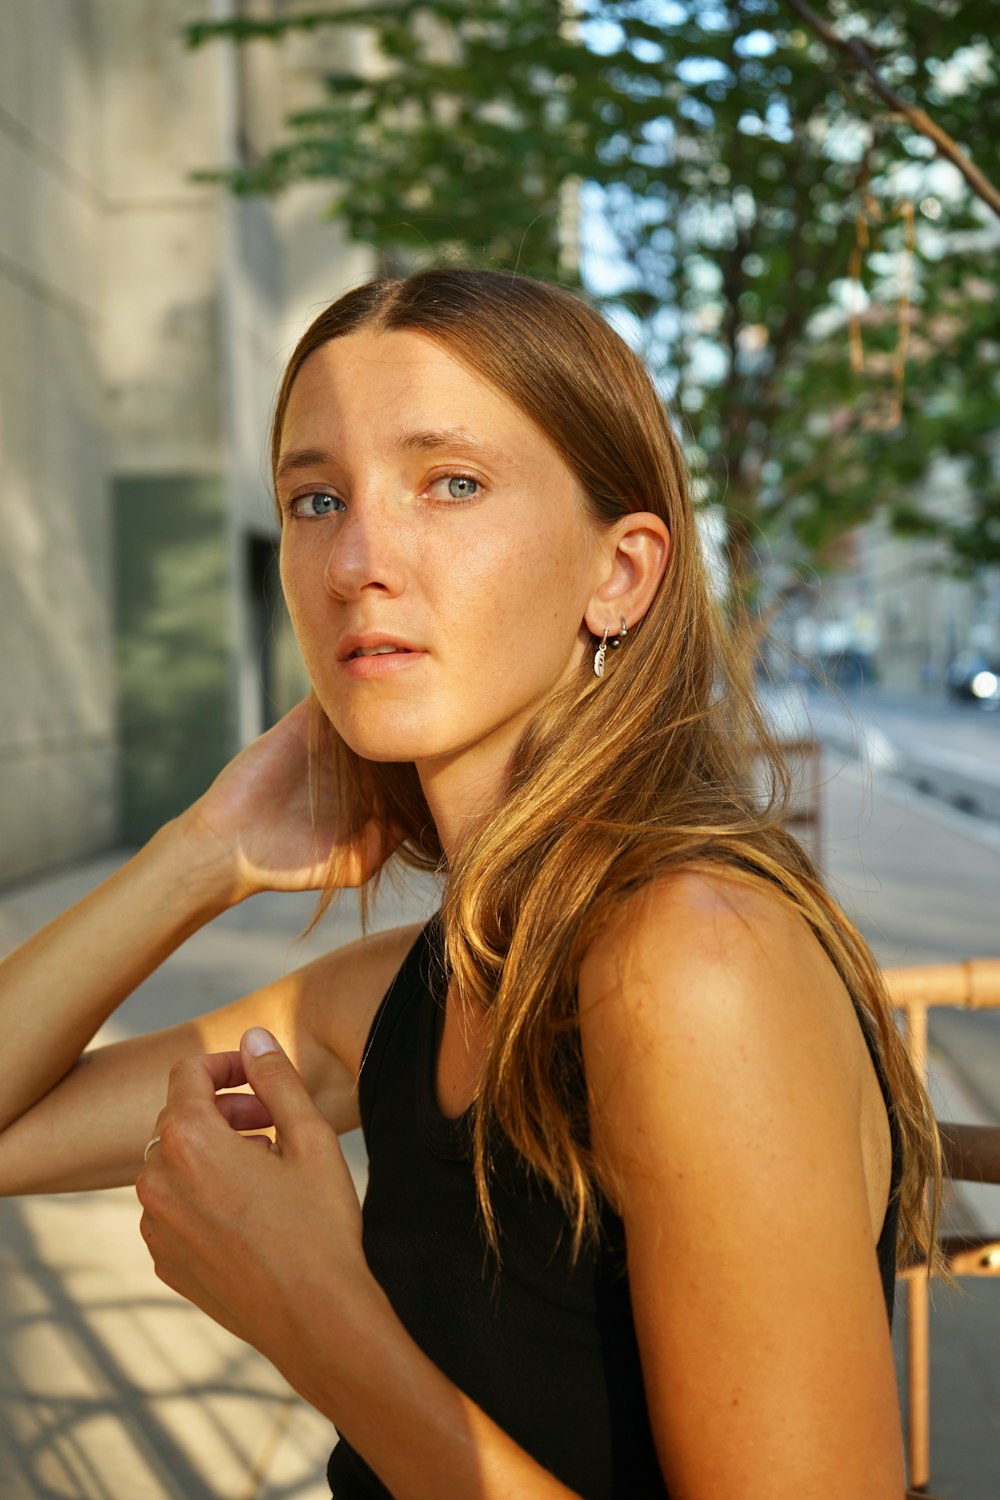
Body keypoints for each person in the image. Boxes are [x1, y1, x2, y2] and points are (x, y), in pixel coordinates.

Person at [0, 269, 938, 1499]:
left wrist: (323, 1324)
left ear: (622, 572)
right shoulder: (427, 976)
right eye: (315, 499)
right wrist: (202, 854)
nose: (358, 561)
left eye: (452, 483)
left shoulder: (693, 957)